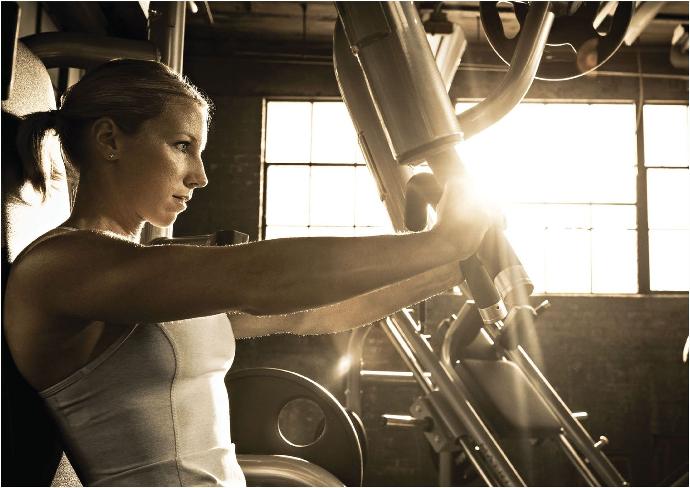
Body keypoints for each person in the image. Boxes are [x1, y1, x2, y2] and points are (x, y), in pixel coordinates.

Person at [3, 59, 495, 486]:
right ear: (110, 138)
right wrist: (436, 242)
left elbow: (312, 313)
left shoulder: (149, 273)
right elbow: (260, 280)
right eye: (181, 145)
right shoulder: (63, 267)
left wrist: (444, 268)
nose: (199, 175)